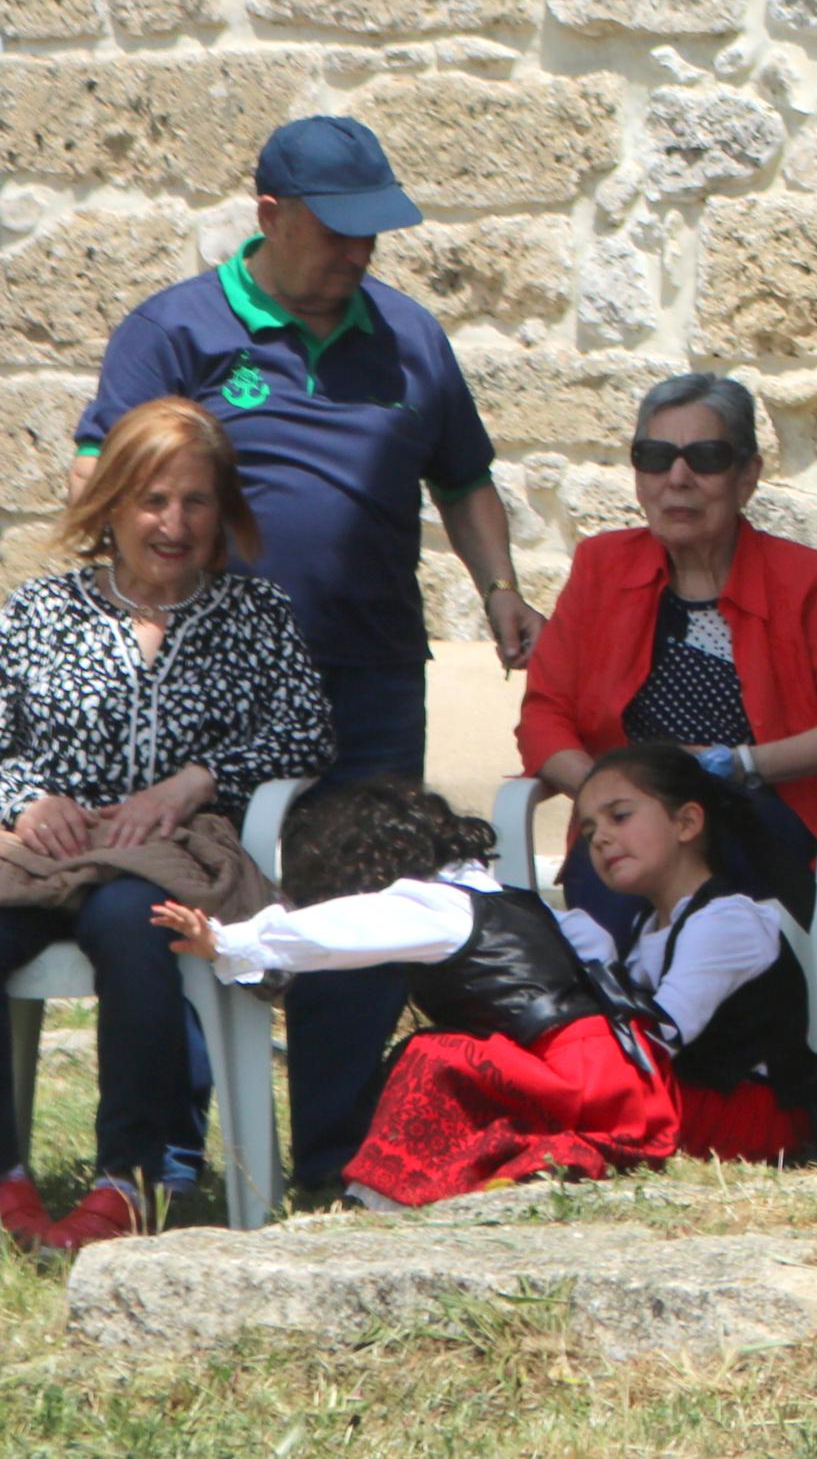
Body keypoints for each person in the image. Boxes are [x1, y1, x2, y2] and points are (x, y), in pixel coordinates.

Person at [80, 114, 533, 1196]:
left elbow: (462, 478)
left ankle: (336, 1154)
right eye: (336, 232)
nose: (357, 254)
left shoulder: (411, 337)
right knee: (179, 899)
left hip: (369, 676)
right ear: (269, 215)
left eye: (373, 234)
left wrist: (500, 587)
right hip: (202, 687)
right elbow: (105, 482)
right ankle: (172, 1163)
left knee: (362, 905)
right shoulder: (176, 332)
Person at [169, 758, 817, 1208]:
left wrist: (234, 940)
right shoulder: (509, 898)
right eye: (590, 827)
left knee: (435, 1055)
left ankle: (386, 1193)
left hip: (610, 1073)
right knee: (450, 1055)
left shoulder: (439, 903)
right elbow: (589, 962)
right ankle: (432, 1180)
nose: (599, 840)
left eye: (619, 817)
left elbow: (347, 928)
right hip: (604, 1065)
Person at [0, 397, 334, 1250]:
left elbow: (309, 728)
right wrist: (30, 798)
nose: (173, 523)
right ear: (110, 502)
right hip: (44, 856)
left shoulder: (252, 614)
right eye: (153, 499)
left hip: (173, 860)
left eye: (195, 501)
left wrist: (197, 780)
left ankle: (131, 1177)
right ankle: (7, 1178)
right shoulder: (39, 611)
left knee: (135, 921)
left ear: (223, 511)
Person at [515, 373, 817, 932]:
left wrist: (739, 763)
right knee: (627, 859)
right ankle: (635, 1007)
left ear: (747, 476)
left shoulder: (802, 580)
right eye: (655, 457)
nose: (678, 478)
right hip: (624, 834)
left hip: (752, 817)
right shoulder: (601, 567)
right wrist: (614, 802)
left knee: (675, 872)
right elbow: (543, 715)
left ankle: (654, 1006)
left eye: (706, 457)